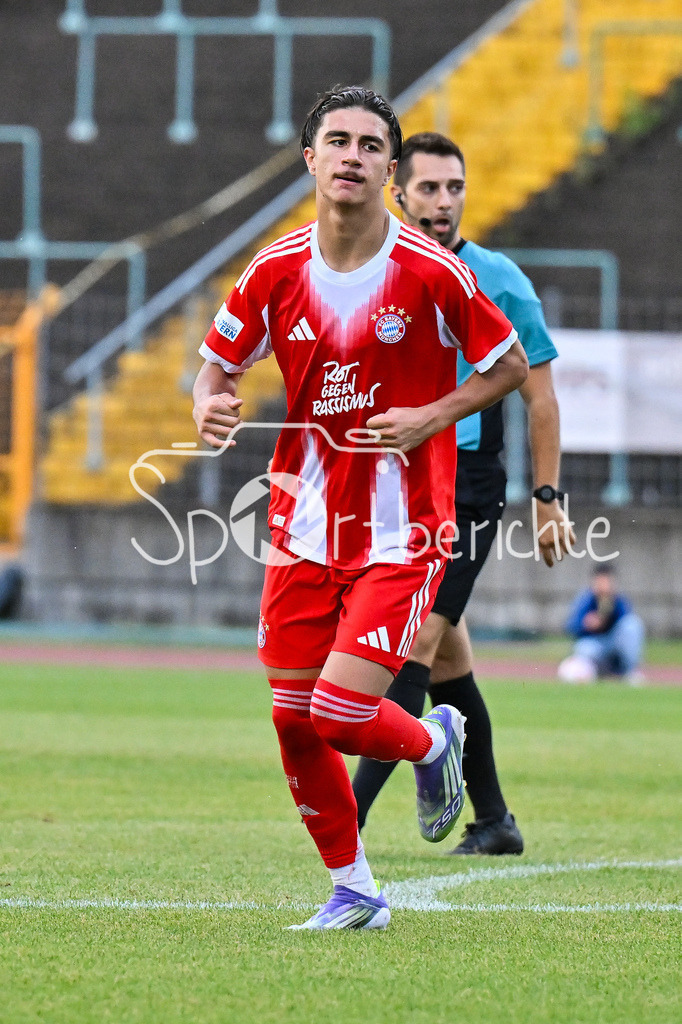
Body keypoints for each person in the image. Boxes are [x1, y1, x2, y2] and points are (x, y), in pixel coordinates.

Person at [192, 87, 527, 930]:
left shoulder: (430, 270)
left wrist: (432, 414)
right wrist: (209, 403)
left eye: (370, 145)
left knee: (340, 713)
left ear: (388, 168)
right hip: (302, 525)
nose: (351, 156)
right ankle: (355, 891)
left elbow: (510, 364)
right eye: (335, 141)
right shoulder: (275, 269)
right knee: (292, 718)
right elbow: (216, 366)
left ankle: (434, 740)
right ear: (310, 159)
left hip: (403, 526)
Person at [352, 132, 575, 855]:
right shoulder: (374, 273)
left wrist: (547, 497)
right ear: (398, 191)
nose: (443, 203)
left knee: (415, 638)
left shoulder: (498, 278)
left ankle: (343, 820)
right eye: (428, 189)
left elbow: (540, 398)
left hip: (467, 488)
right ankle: (494, 822)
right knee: (445, 657)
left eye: (454, 189)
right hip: (393, 482)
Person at [558, 565, 645, 684]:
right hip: (595, 645)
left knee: (633, 625)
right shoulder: (586, 599)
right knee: (583, 648)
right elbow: (572, 626)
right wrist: (587, 624)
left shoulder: (618, 600)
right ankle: (593, 673)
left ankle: (629, 672)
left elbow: (626, 622)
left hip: (614, 644)